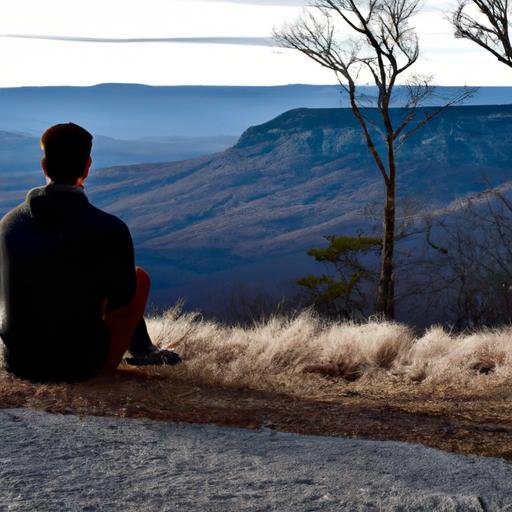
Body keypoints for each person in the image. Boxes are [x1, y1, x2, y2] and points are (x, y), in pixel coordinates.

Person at [0, 122, 181, 383]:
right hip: (78, 365)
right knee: (138, 279)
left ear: (44, 166)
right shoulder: (109, 229)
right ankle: (133, 355)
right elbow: (123, 299)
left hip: (17, 362)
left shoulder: (8, 224)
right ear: (87, 166)